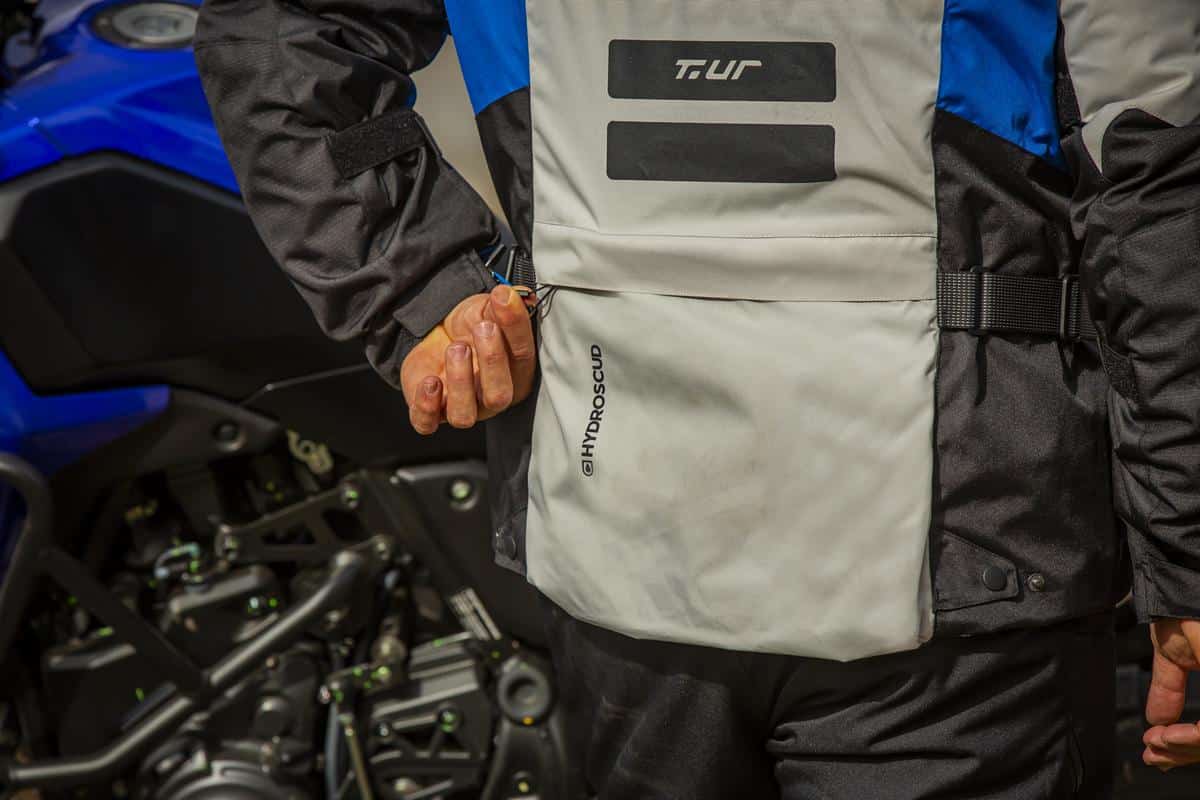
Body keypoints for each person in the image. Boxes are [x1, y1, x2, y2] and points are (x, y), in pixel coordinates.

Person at [193, 1, 1200, 796]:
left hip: (631, 550)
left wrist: (419, 288)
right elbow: (1159, 185)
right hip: (964, 565)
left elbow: (277, 35)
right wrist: (1186, 552)